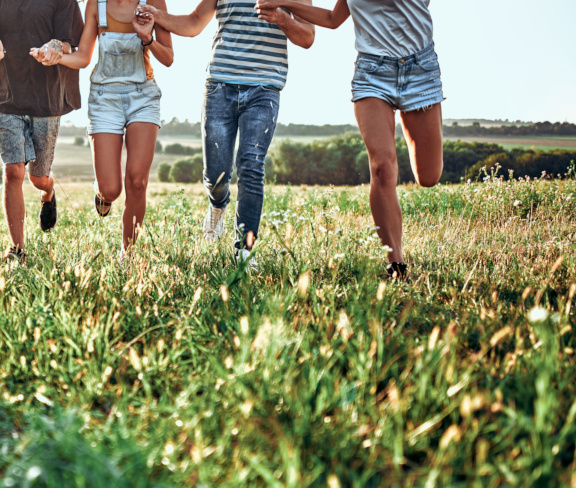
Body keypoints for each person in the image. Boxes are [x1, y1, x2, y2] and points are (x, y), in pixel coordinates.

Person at [255, 0, 444, 279]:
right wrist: (282, 4)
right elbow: (333, 18)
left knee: (428, 177)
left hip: (420, 69)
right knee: (382, 167)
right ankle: (396, 262)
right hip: (372, 73)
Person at [137, 0, 314, 267]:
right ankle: (218, 204)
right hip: (219, 85)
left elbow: (308, 37)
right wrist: (157, 15)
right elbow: (195, 22)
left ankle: (244, 250)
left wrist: (282, 18)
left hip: (265, 87)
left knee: (251, 165)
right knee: (216, 175)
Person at [32, 0, 173, 256]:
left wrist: (147, 39)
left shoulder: (153, 3)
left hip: (143, 97)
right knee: (111, 190)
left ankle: (127, 255)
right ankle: (101, 193)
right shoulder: (96, 5)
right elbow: (84, 57)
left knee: (137, 182)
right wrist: (57, 57)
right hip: (104, 98)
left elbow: (169, 58)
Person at [0, 0, 84, 261]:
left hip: (46, 101)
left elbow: (69, 43)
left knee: (37, 178)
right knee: (13, 171)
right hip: (6, 98)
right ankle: (17, 250)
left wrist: (54, 47)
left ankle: (48, 190)